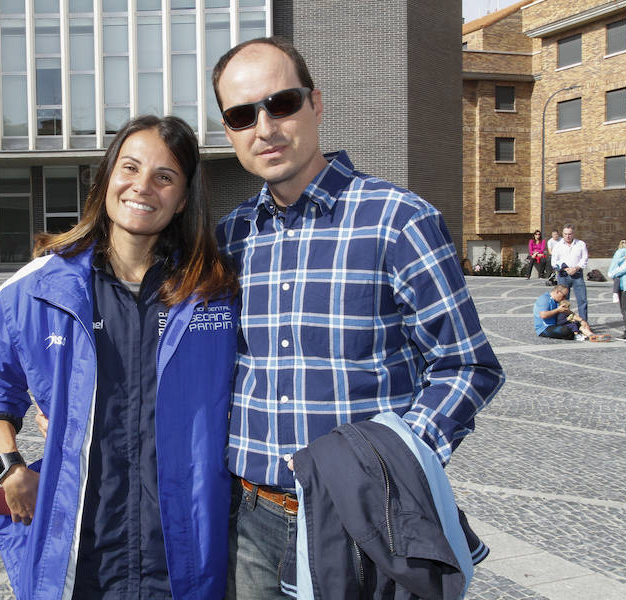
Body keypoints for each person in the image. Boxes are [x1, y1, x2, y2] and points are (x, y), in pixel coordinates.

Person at [212, 36, 505, 598]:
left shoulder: (398, 220)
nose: (265, 127)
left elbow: (467, 366)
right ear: (229, 130)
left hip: (362, 524)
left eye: (282, 103)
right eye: (242, 114)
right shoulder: (230, 236)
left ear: (316, 104)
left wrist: (394, 461)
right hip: (251, 522)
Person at [0, 115, 239, 600]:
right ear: (107, 177)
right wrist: (7, 465)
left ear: (182, 199)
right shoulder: (41, 288)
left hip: (181, 553)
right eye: (130, 168)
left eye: (164, 176)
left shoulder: (213, 293)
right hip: (83, 555)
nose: (142, 187)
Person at [534, 284, 605, 341]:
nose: (564, 298)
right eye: (564, 296)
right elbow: (543, 315)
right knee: (566, 330)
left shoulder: (556, 301)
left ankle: (591, 335)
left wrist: (581, 320)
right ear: (557, 292)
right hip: (544, 328)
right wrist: (557, 310)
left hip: (555, 325)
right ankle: (578, 335)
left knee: (577, 324)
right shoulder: (545, 299)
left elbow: (568, 312)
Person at [550, 224, 589, 321]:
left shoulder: (581, 244)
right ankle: (564, 321)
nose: (567, 236)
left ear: (573, 234)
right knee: (563, 300)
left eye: (570, 234)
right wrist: (565, 268)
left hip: (577, 274)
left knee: (582, 299)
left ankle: (583, 322)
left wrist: (576, 268)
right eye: (565, 234)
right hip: (563, 275)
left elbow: (584, 258)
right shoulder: (558, 246)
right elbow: (554, 261)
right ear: (562, 234)